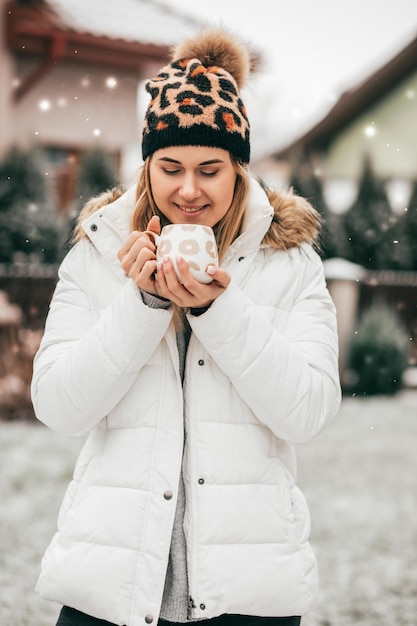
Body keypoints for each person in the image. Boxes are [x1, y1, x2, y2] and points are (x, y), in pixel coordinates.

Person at [31, 28, 341, 626]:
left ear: (239, 171)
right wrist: (141, 305)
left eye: (210, 169)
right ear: (147, 166)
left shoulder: (289, 262)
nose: (189, 190)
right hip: (109, 591)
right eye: (170, 167)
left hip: (247, 597)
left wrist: (216, 311)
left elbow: (308, 412)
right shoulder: (97, 254)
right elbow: (59, 408)